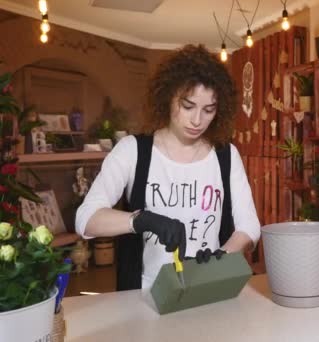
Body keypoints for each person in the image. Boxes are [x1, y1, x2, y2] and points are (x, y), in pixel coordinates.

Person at [75, 44, 260, 290]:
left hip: (209, 288)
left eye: (208, 110)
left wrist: (222, 256)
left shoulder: (225, 155)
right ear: (168, 97)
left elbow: (250, 226)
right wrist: (141, 221)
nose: (197, 121)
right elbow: (85, 219)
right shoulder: (133, 151)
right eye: (187, 106)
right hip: (147, 295)